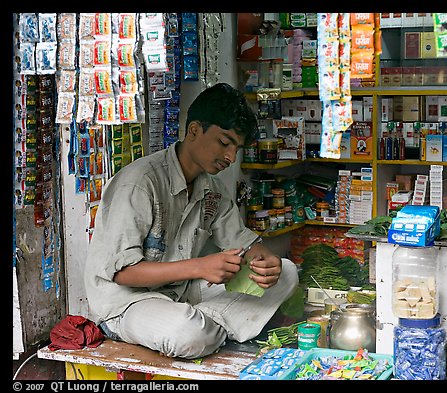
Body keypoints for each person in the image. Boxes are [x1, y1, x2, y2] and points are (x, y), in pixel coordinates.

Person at [84, 83, 299, 359]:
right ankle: (204, 329)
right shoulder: (139, 183)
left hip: (182, 294)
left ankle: (204, 328)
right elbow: (122, 273)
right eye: (224, 142)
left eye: (237, 148)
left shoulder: (213, 189)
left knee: (287, 273)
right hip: (127, 303)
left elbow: (247, 244)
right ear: (195, 130)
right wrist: (200, 267)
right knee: (187, 333)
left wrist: (264, 262)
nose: (231, 157)